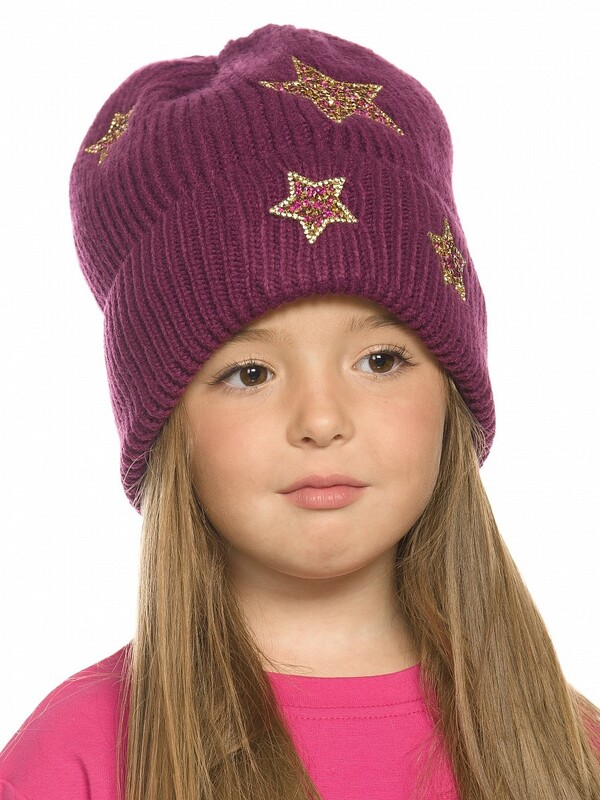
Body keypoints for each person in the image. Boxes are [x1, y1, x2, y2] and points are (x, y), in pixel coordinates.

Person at [1, 22, 599, 800]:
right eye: (250, 373)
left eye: (380, 361)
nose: (321, 420)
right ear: (168, 425)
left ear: (451, 392)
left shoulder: (570, 752)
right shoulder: (79, 755)